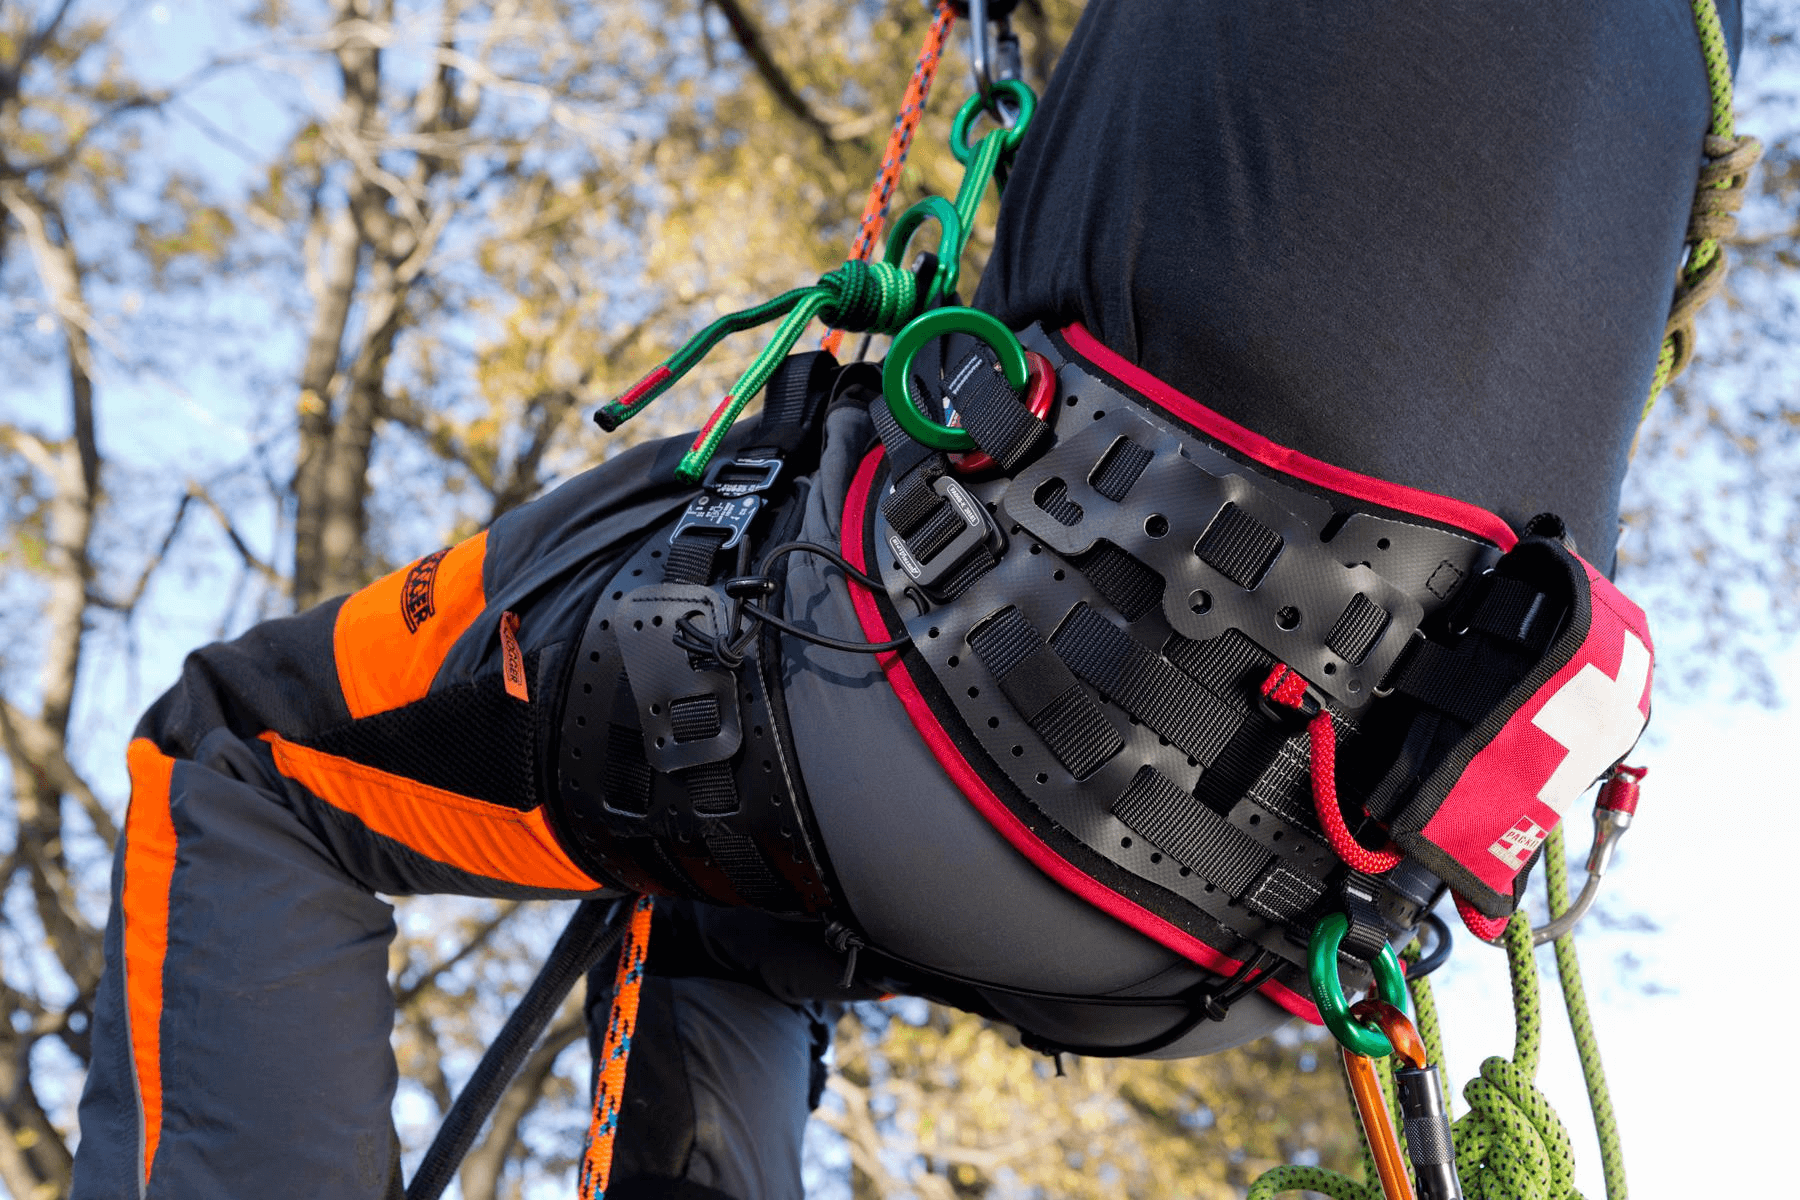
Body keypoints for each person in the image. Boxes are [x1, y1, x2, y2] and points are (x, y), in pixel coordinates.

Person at [70, 2, 1741, 1197]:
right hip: (1280, 931)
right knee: (728, 897)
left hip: (991, 699)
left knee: (243, 759)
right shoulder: (1692, 58)